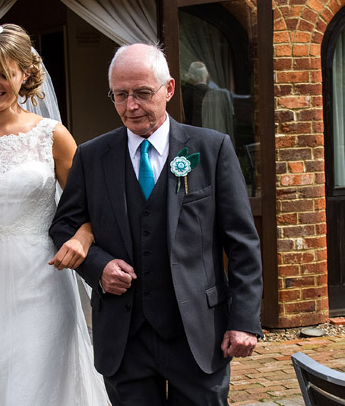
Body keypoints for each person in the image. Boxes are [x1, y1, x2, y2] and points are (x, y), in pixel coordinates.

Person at [50, 43, 263, 406]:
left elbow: (242, 243)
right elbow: (63, 225)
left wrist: (244, 319)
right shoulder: (92, 156)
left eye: (142, 93)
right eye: (120, 95)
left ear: (169, 89)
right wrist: (98, 266)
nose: (131, 106)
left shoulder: (212, 149)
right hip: (124, 335)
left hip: (198, 332)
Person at [0, 24, 109, 405]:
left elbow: (94, 206)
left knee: (38, 386)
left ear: (25, 74)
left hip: (41, 280)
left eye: (5, 73)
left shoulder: (52, 135)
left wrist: (82, 237)